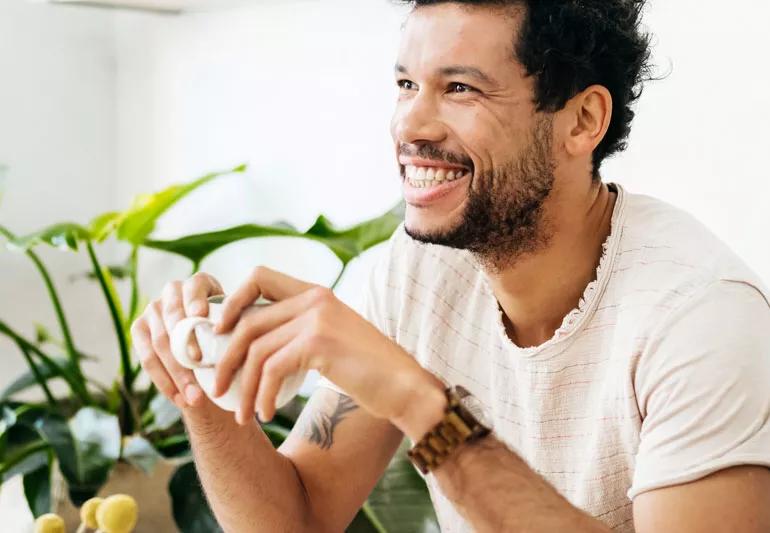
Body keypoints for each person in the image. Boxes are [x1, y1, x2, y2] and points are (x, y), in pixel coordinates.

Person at [130, 1, 770, 531]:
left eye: (460, 88)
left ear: (582, 120)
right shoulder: (415, 273)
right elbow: (296, 519)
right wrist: (198, 381)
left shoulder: (698, 316)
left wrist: (422, 407)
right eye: (406, 84)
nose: (411, 123)